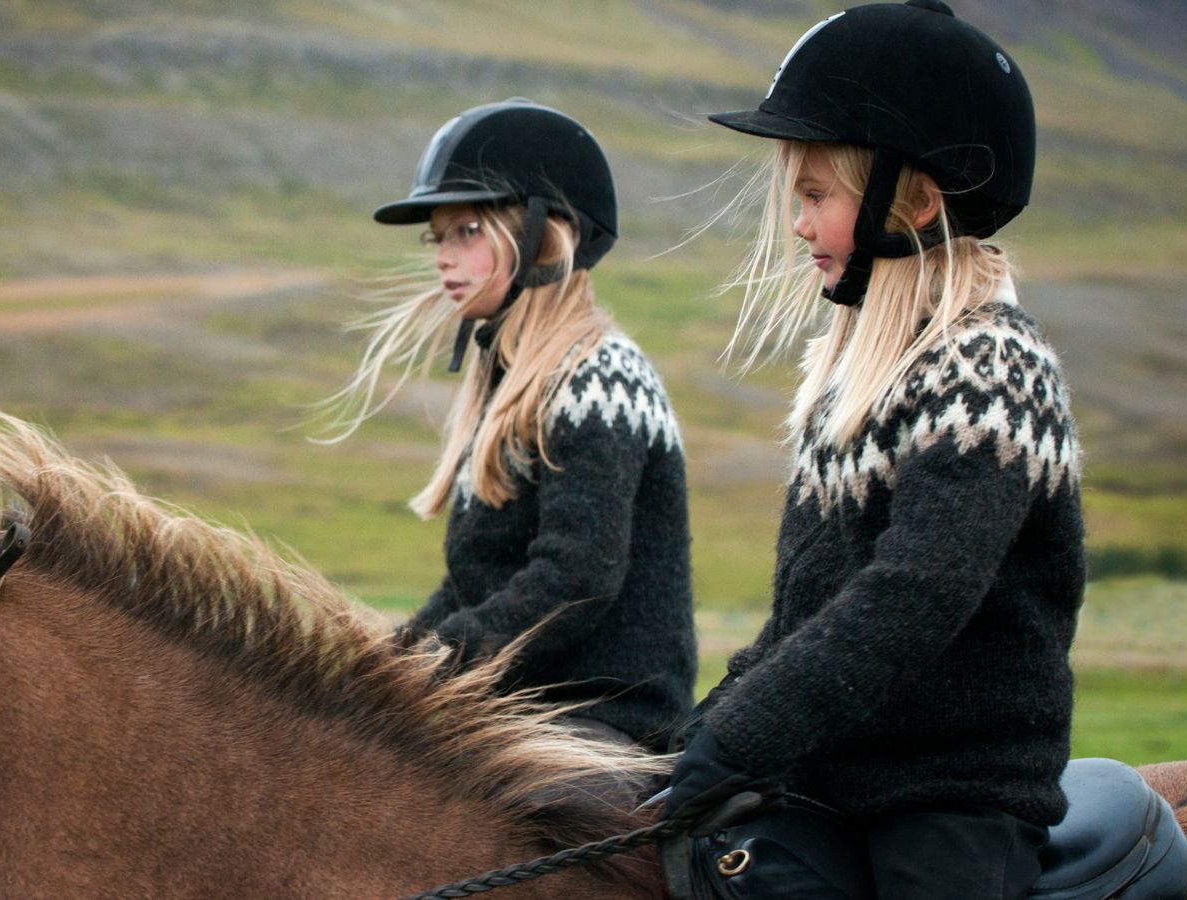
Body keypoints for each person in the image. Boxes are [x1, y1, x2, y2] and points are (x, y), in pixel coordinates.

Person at [655, 2, 1083, 898]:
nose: (799, 226)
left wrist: (741, 741)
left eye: (816, 197)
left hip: (952, 796)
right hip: (824, 781)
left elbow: (914, 595)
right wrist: (695, 739)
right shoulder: (848, 374)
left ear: (914, 199)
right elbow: (804, 613)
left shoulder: (990, 367)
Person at [321, 99, 696, 753]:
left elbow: (578, 577)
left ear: (541, 234)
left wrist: (439, 658)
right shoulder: (507, 381)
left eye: (467, 230)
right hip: (517, 712)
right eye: (438, 236)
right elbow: (479, 579)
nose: (444, 256)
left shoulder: (599, 379)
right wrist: (380, 663)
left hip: (605, 721)